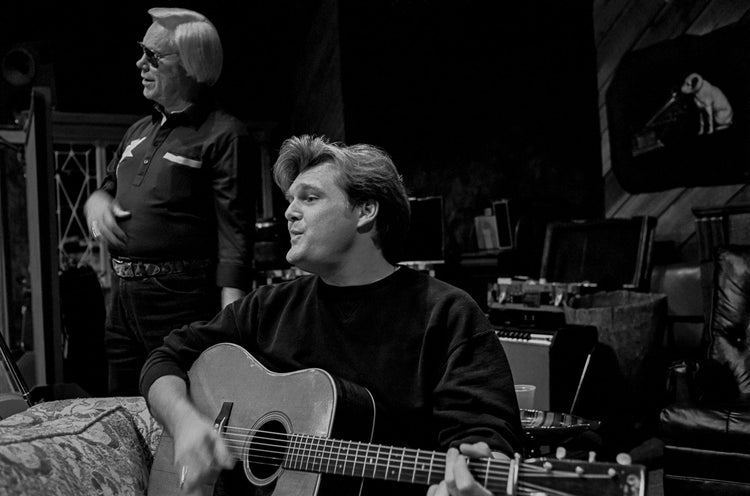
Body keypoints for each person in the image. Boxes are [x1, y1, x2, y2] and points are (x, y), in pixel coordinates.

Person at [140, 135, 523, 496]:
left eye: (309, 198)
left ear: (365, 211)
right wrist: (186, 424)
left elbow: (485, 440)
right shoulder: (268, 306)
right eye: (291, 199)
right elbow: (164, 359)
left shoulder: (445, 312)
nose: (289, 212)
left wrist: (468, 482)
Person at [84, 7, 256, 396]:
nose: (140, 63)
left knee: (182, 412)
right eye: (141, 51)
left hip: (180, 301)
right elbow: (107, 186)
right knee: (122, 413)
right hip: (122, 296)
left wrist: (231, 330)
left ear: (192, 65)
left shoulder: (224, 133)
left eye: (153, 56)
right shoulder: (138, 131)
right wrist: (96, 201)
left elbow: (235, 236)